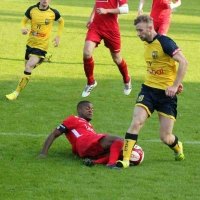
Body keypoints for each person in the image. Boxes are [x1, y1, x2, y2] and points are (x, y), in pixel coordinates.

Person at [116, 15, 188, 168]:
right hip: (148, 90)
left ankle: (177, 147)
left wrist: (175, 85)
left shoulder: (165, 42)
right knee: (137, 121)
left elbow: (183, 62)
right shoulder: (146, 43)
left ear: (150, 28)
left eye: (140, 30)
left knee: (165, 137)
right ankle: (125, 160)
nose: (138, 34)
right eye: (137, 30)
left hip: (167, 95)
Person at [37, 101, 124, 169]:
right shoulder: (73, 119)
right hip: (84, 141)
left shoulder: (89, 126)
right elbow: (54, 134)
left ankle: (94, 162)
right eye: (87, 108)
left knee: (119, 152)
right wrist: (43, 153)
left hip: (86, 150)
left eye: (92, 109)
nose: (91, 111)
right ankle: (111, 164)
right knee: (121, 140)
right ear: (79, 110)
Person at [6, 0, 64, 100]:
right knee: (27, 68)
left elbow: (61, 21)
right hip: (30, 44)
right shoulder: (32, 9)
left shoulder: (53, 13)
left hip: (42, 46)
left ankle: (16, 93)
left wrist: (58, 36)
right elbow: (23, 21)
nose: (45, 0)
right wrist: (23, 28)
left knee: (28, 67)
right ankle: (44, 58)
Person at [81, 0, 132, 98]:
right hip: (96, 27)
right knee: (87, 53)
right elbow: (97, 4)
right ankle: (90, 81)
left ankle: (126, 78)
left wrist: (106, 10)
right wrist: (91, 18)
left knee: (117, 59)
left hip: (111, 29)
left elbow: (125, 9)